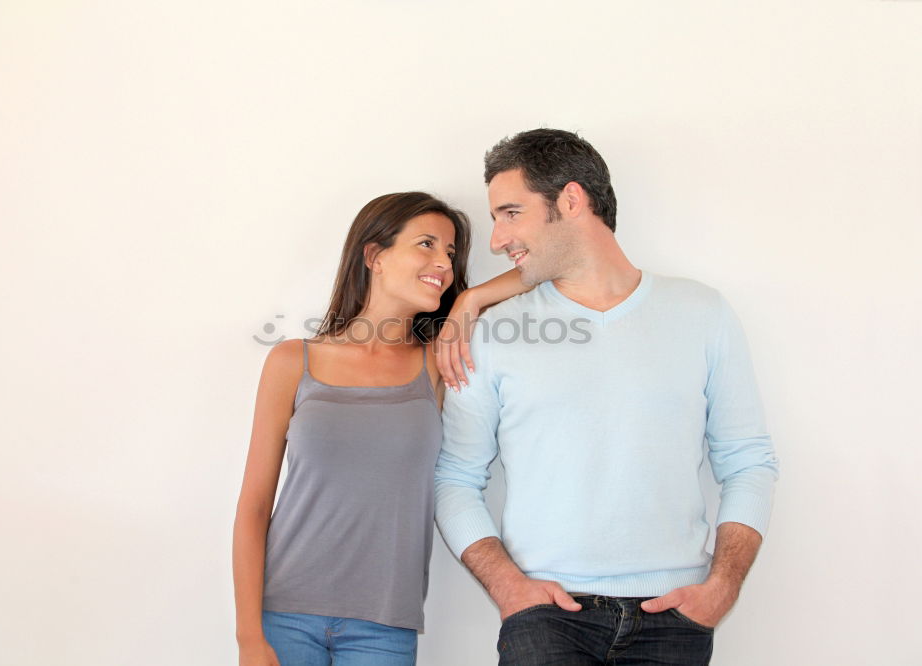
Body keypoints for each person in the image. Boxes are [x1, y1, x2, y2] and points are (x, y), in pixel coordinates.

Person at [433, 129, 780, 665]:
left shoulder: (701, 312)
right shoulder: (492, 333)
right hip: (546, 617)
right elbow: (454, 477)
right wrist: (509, 590)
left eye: (510, 213)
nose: (498, 240)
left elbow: (749, 460)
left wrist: (722, 586)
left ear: (571, 200)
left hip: (675, 617)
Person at [232, 191, 473, 665]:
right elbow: (255, 507)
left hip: (384, 626)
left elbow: (537, 274)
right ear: (375, 255)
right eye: (426, 244)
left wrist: (473, 299)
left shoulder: (437, 365)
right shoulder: (292, 361)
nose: (443, 263)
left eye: (450, 252)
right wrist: (248, 638)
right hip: (284, 615)